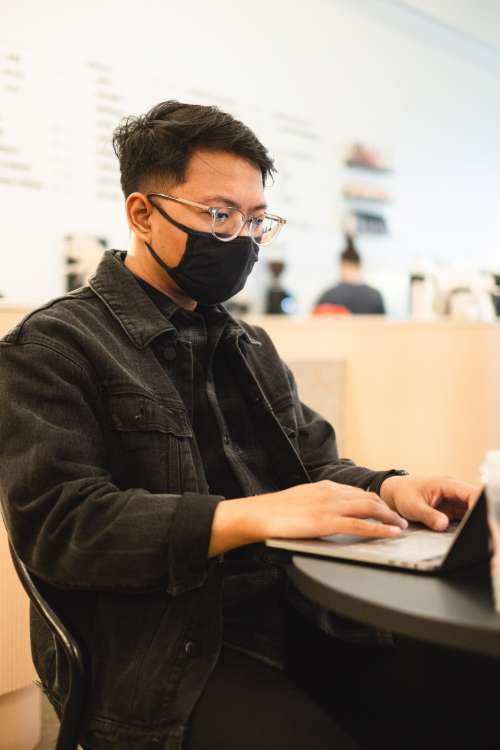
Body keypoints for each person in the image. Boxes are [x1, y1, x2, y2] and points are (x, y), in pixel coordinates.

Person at [0, 101, 496, 750]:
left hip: (297, 617)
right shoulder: (53, 347)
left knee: (474, 693)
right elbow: (62, 527)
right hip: (162, 653)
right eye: (217, 215)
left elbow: (313, 467)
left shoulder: (248, 343)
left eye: (255, 219)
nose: (239, 237)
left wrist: (389, 488)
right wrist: (248, 516)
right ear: (141, 213)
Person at [315, 236, 386, 314]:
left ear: (342, 264)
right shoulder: (375, 296)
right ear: (359, 265)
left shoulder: (329, 295)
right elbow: (384, 323)